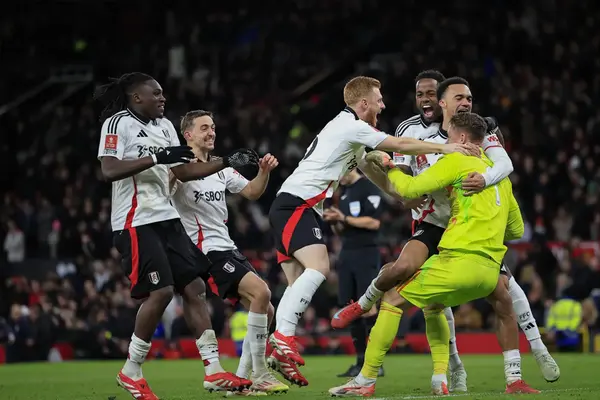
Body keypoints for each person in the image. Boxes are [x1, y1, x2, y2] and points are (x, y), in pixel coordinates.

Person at [331, 76, 557, 395]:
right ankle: (458, 370)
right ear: (443, 103)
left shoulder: (469, 146)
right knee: (409, 273)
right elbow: (516, 228)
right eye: (458, 97)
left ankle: (368, 379)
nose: (465, 102)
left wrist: (387, 166)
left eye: (468, 98)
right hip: (446, 228)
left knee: (403, 299)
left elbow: (412, 183)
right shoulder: (420, 132)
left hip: (459, 240)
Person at [266, 75, 480, 386]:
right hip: (297, 204)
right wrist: (448, 148)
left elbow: (372, 172)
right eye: (379, 100)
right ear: (364, 103)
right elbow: (401, 143)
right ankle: (284, 338)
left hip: (292, 204)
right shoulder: (351, 126)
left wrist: (402, 196)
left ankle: (273, 353)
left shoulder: (351, 136)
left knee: (296, 281)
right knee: (320, 267)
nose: (383, 106)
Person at [95, 73, 258, 399]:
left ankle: (213, 371)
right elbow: (109, 170)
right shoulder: (117, 124)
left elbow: (183, 171)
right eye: (155, 94)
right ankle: (131, 370)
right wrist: (157, 157)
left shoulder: (166, 127)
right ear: (136, 97)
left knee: (195, 287)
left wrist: (225, 161)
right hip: (135, 221)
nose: (162, 98)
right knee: (162, 291)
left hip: (167, 218)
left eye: (162, 94)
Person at [170, 109, 289, 396]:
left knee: (266, 309)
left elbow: (251, 192)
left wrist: (263, 172)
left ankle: (240, 380)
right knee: (261, 292)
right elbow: (166, 189)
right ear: (188, 135)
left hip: (227, 246)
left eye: (212, 127)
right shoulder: (180, 167)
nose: (211, 132)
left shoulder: (220, 168)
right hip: (205, 250)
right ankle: (260, 373)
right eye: (204, 128)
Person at [323, 169, 384, 378]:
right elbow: (343, 229)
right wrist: (335, 222)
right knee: (351, 307)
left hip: (366, 252)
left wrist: (343, 217)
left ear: (352, 166)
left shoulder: (369, 187)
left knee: (367, 306)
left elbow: (374, 223)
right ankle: (360, 361)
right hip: (347, 253)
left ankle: (375, 362)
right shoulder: (344, 193)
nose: (338, 176)